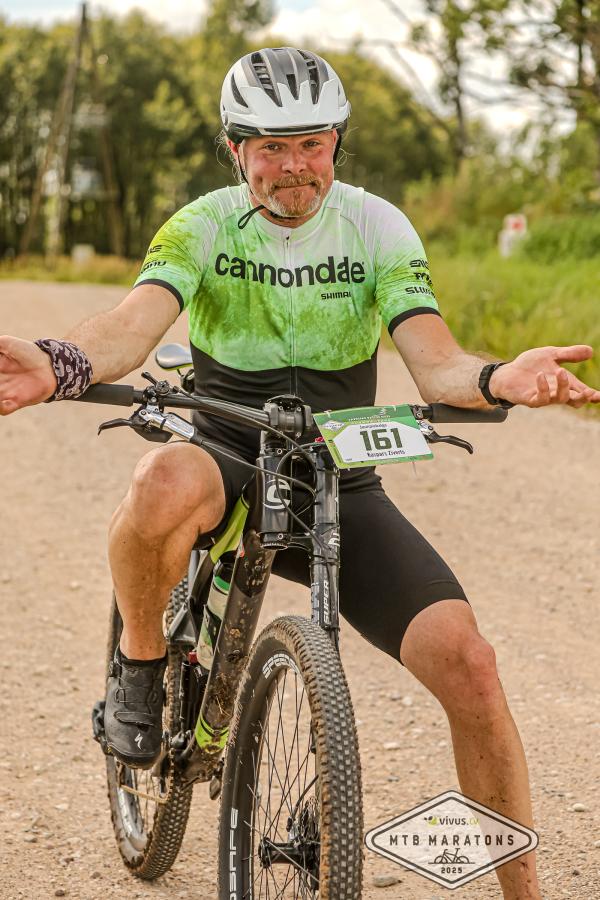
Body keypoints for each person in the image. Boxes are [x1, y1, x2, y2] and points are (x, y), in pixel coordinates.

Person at [1, 46, 598, 899]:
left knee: (472, 665)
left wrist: (502, 377)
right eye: (271, 148)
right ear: (235, 148)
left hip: (337, 472)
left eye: (311, 144)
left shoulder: (377, 227)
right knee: (160, 479)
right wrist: (59, 362)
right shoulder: (203, 224)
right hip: (228, 449)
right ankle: (140, 663)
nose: (294, 167)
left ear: (337, 143)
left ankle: (524, 894)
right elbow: (132, 327)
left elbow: (436, 364)